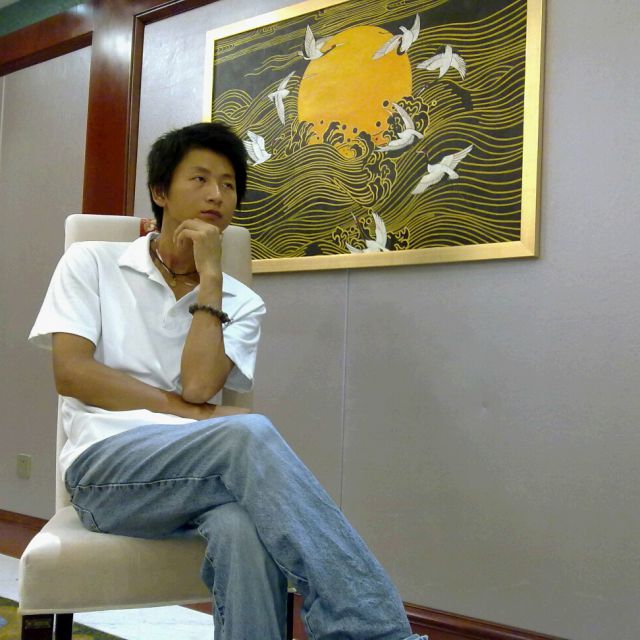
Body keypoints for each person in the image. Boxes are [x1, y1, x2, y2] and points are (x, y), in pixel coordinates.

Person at [29, 122, 427, 640]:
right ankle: (375, 633)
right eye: (199, 179)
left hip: (203, 473)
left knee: (241, 528)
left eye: (229, 184)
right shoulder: (92, 262)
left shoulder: (241, 301)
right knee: (248, 433)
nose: (217, 194)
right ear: (160, 192)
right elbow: (73, 373)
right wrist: (185, 412)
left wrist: (212, 278)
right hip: (105, 471)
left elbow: (199, 387)